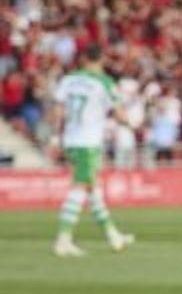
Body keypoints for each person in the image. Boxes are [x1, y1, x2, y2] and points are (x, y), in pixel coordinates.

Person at [48, 44, 134, 257]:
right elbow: (121, 115)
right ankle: (63, 239)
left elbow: (57, 111)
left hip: (70, 140)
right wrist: (130, 123)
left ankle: (113, 235)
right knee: (80, 187)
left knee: (93, 189)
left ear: (84, 58)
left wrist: (55, 137)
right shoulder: (104, 83)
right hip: (88, 142)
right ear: (101, 60)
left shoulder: (68, 80)